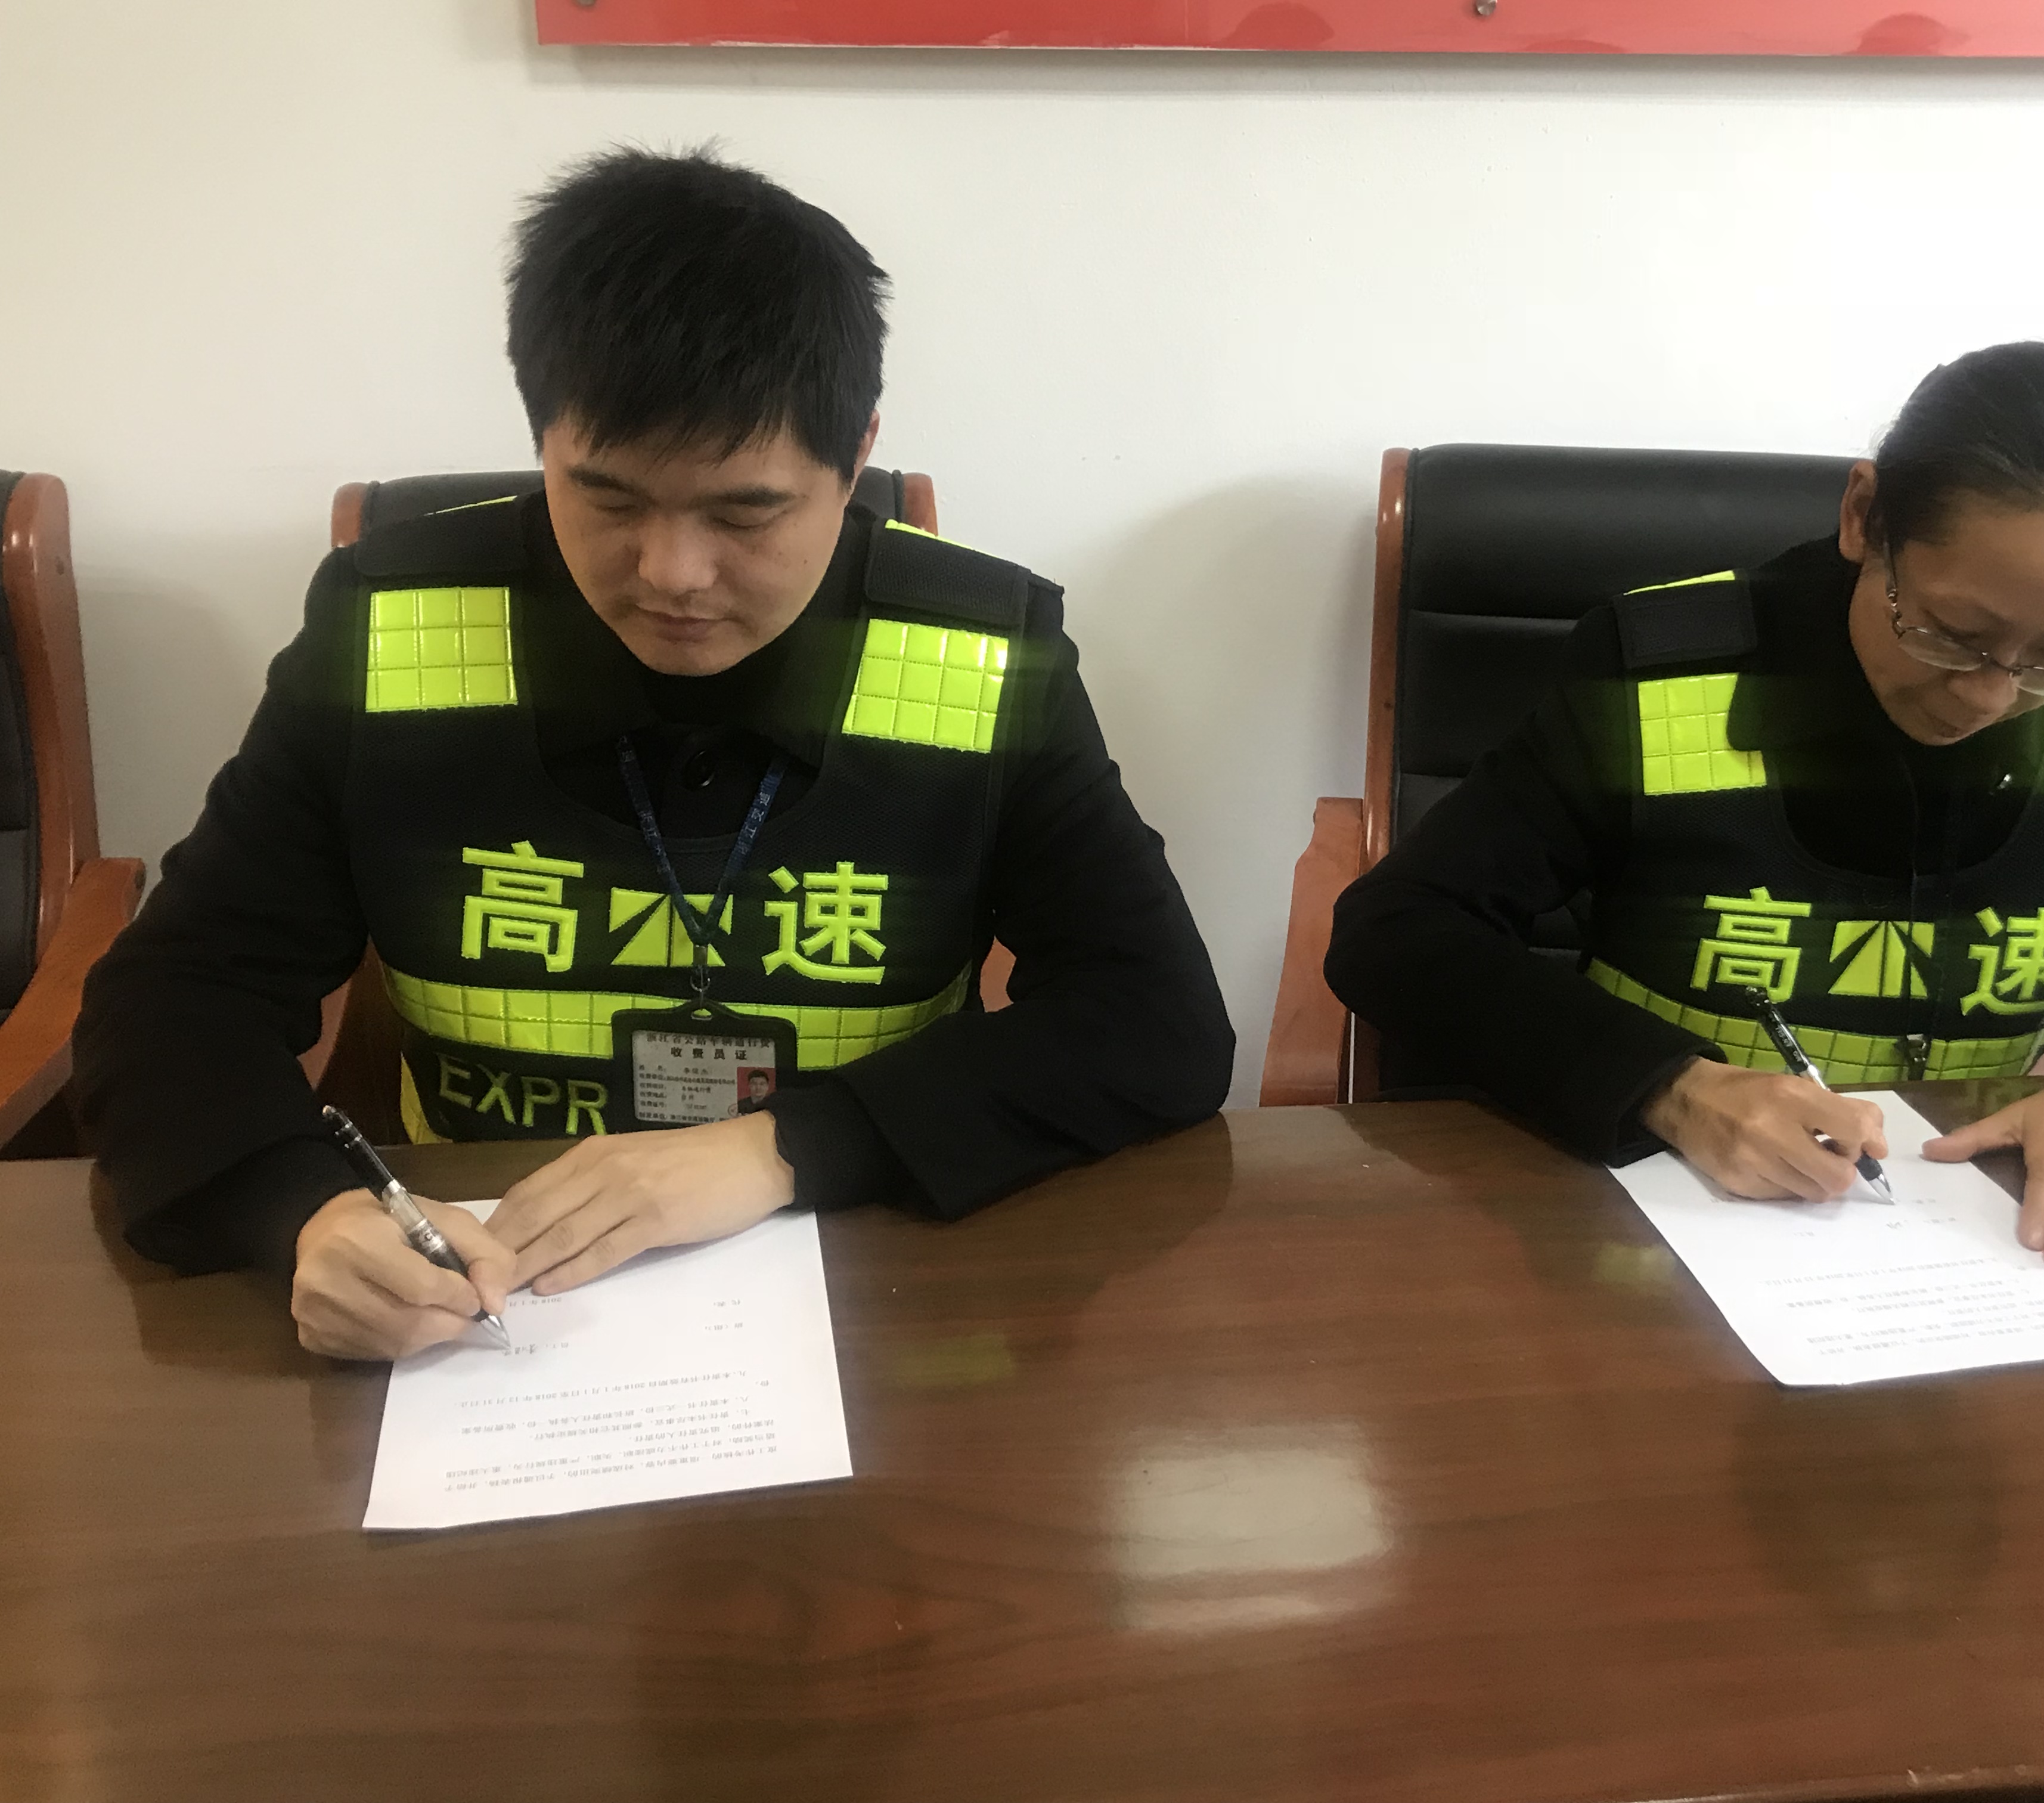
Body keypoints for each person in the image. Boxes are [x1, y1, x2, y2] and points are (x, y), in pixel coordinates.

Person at [74, 148, 1234, 1358]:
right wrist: (304, 1211)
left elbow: (1152, 1021)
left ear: (855, 457)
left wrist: (787, 1146)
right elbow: (177, 994)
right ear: (543, 441)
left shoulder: (980, 652)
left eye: (746, 511)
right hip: (481, 1307)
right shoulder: (391, 627)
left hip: (869, 1281)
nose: (674, 573)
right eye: (611, 500)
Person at [1326, 342, 2044, 1271]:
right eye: (1952, 634)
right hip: (1664, 1219)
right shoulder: (1660, 676)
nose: (1990, 696)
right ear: (1862, 519)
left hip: (1981, 1234)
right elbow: (1395, 932)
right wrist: (1668, 1085)